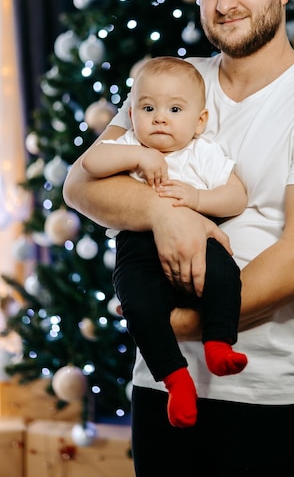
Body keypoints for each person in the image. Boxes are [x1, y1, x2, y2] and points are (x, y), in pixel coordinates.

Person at [63, 0, 294, 476]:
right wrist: (162, 212)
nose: (225, 3)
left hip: (263, 400)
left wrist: (178, 325)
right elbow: (80, 183)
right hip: (160, 388)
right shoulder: (171, 83)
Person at [80, 56, 248, 428]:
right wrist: (138, 154)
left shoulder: (202, 152)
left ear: (199, 121)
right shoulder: (126, 145)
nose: (159, 118)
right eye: (148, 107)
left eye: (174, 109)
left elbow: (237, 196)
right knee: (137, 303)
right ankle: (176, 380)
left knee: (225, 276)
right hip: (138, 247)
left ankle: (219, 344)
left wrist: (198, 200)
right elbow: (89, 165)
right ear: (132, 113)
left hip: (199, 239)